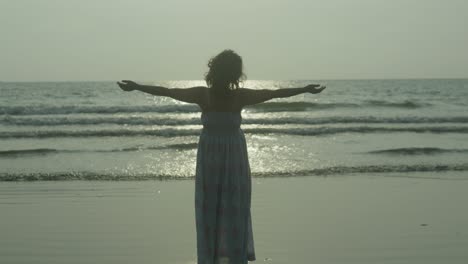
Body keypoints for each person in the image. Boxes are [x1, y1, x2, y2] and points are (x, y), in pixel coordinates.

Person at [117, 49, 326, 264]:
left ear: (214, 70)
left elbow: (167, 91)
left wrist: (137, 86)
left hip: (221, 155)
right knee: (225, 205)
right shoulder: (224, 95)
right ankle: (220, 256)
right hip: (223, 155)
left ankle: (227, 256)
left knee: (223, 205)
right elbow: (273, 93)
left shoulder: (211, 95)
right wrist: (305, 89)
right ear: (235, 74)